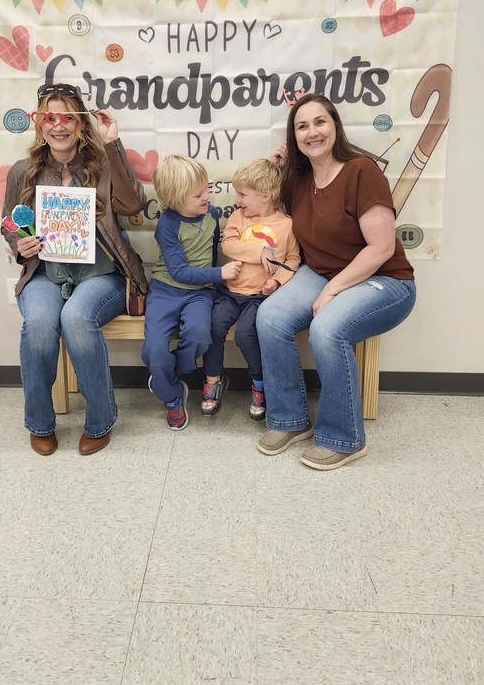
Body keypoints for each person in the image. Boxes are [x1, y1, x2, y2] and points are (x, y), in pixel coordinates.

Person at [256, 91, 416, 470]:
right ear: (294, 137)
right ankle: (290, 420)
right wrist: (275, 167)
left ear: (335, 126)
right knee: (270, 318)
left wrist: (332, 289)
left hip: (384, 280)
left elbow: (380, 247)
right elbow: (268, 216)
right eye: (301, 126)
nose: (312, 132)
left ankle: (344, 438)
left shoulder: (362, 171)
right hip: (323, 272)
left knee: (326, 329)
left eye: (320, 122)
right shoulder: (296, 180)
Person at [1, 82, 147, 457]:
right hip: (45, 274)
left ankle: (100, 420)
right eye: (50, 117)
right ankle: (40, 422)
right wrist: (20, 243)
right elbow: (9, 223)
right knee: (38, 326)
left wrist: (112, 144)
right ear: (40, 125)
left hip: (102, 274)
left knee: (77, 318)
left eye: (67, 116)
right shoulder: (23, 172)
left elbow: (133, 205)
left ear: (81, 124)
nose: (58, 125)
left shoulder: (101, 166)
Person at [141, 156, 242, 430]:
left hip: (200, 293)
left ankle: (173, 372)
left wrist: (216, 282)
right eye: (198, 194)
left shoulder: (211, 215)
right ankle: (172, 396)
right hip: (165, 290)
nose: (206, 196)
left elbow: (209, 256)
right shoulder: (167, 225)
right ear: (174, 199)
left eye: (207, 189)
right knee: (154, 351)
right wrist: (219, 274)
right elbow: (179, 272)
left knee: (199, 335)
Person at [200, 159, 300, 420]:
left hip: (259, 297)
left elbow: (292, 260)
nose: (238, 199)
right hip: (231, 292)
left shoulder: (287, 225)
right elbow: (229, 245)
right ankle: (213, 379)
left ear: (265, 195)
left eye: (243, 194)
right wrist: (260, 252)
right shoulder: (239, 216)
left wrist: (277, 281)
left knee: (246, 335)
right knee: (213, 326)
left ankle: (259, 384)